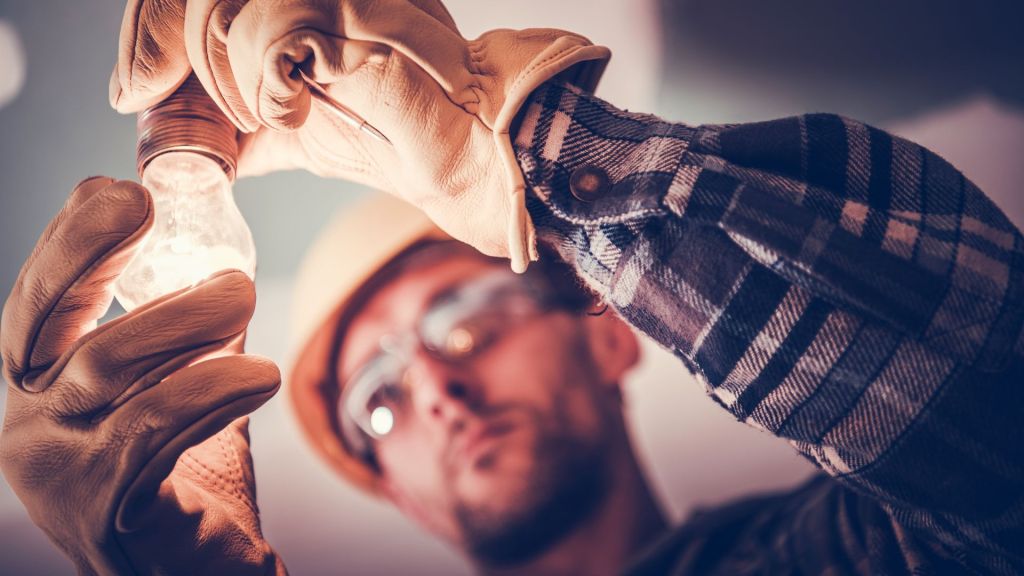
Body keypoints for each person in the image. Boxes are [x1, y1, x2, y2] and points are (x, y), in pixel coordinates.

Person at [1, 1, 1022, 574]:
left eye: (458, 321)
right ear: (387, 488)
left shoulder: (843, 553)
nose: (436, 395)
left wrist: (506, 147)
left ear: (611, 335)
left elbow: (997, 421)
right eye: (379, 403)